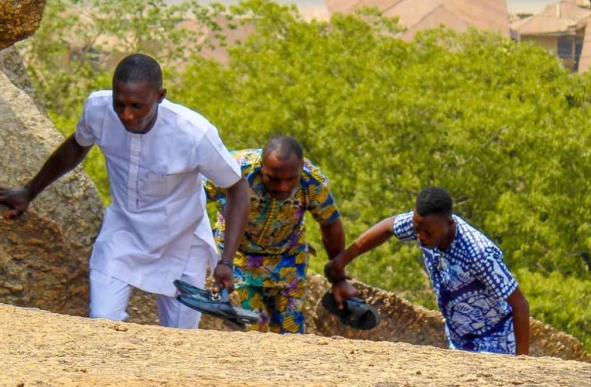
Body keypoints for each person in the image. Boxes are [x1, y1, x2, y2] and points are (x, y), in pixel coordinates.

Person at [0, 54, 251, 329]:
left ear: (160, 96)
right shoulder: (98, 110)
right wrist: (29, 192)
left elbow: (238, 189)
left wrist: (226, 261)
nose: (126, 114)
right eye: (119, 104)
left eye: (137, 106)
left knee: (181, 337)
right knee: (103, 322)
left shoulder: (195, 133)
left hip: (181, 240)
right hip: (123, 232)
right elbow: (76, 146)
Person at [325, 186, 529, 355]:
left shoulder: (478, 253)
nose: (421, 237)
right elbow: (388, 227)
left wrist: (522, 364)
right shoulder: (424, 227)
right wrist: (342, 260)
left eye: (427, 232)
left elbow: (519, 304)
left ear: (449, 223)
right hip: (460, 341)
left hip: (496, 340)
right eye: (417, 230)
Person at [205, 135, 358, 334]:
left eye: (290, 179)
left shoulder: (312, 183)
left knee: (291, 331)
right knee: (251, 327)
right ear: (262, 167)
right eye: (274, 179)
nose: (283, 187)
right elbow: (190, 196)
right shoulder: (235, 170)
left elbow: (330, 224)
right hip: (238, 258)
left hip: (288, 260)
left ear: (301, 168)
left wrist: (339, 279)